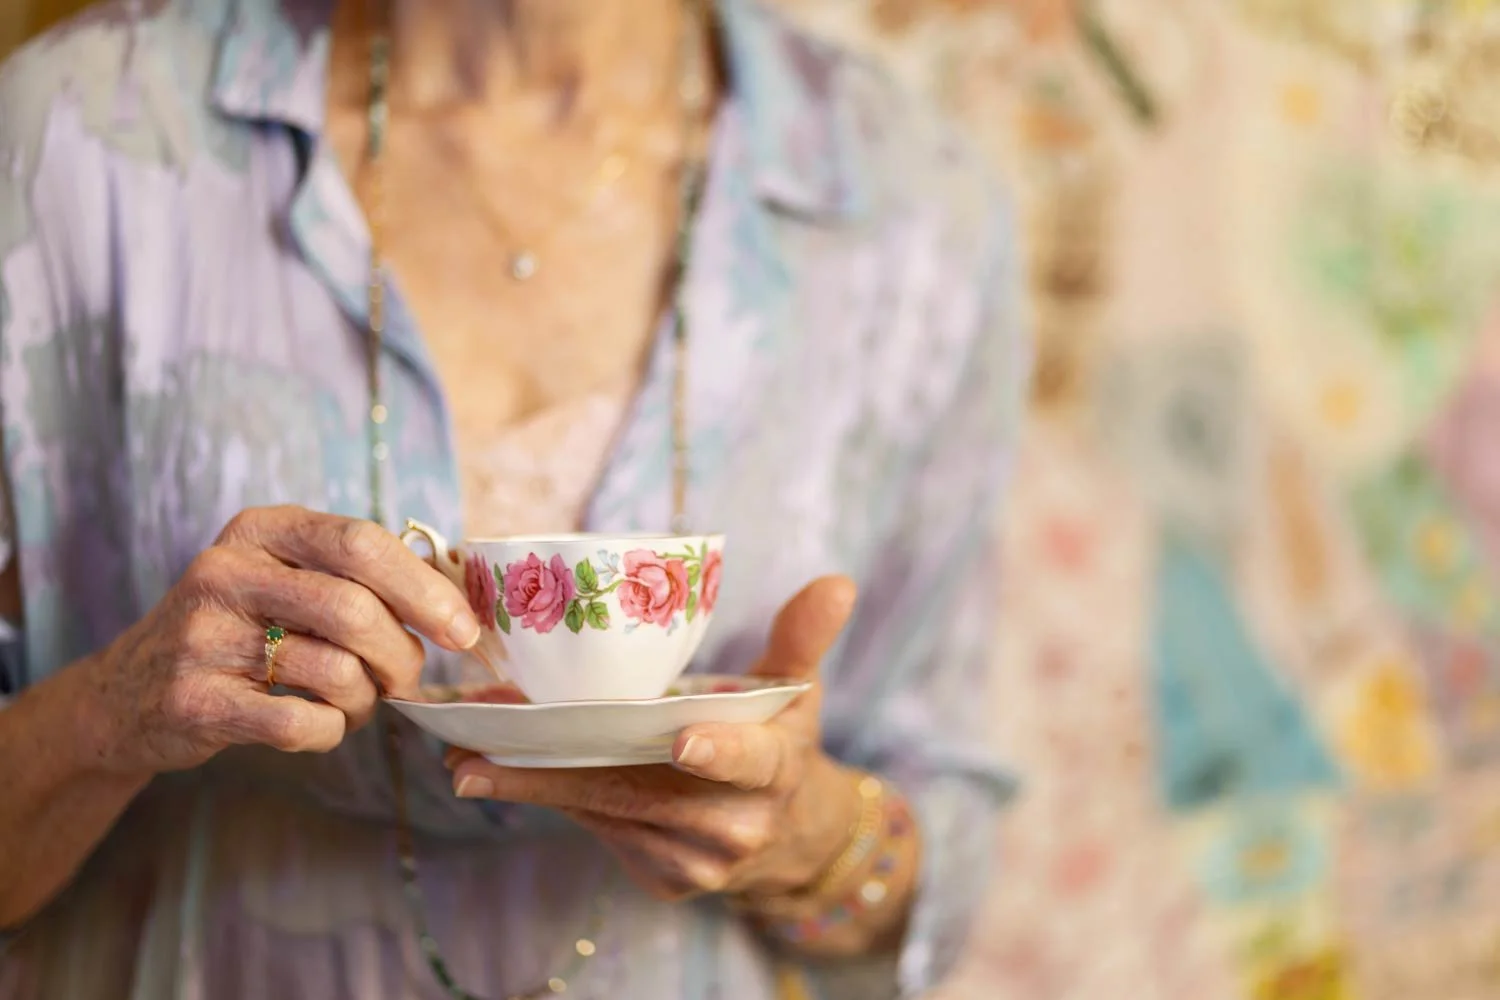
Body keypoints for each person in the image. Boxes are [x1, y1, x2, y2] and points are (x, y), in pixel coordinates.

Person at [0, 0, 1028, 997]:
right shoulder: (79, 142)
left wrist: (818, 845)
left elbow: (940, 854)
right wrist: (112, 706)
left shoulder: (908, 204)